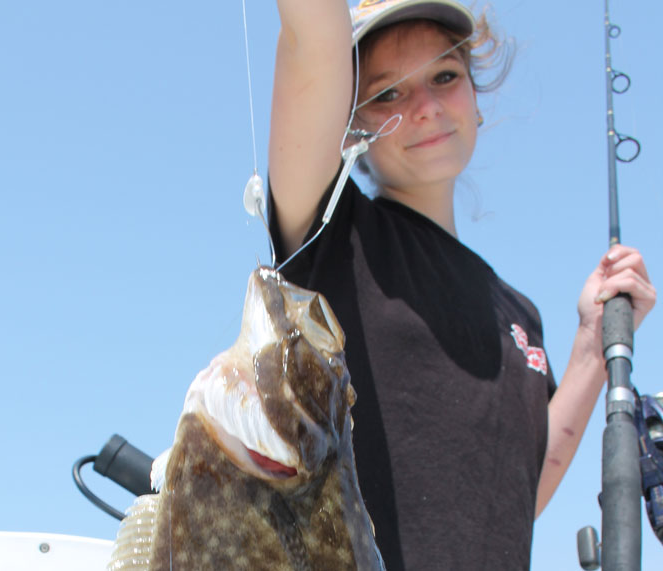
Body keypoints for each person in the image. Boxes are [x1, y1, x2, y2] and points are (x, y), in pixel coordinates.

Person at [266, 0, 657, 568]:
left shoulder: (520, 313)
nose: (424, 107)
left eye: (444, 77)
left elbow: (515, 495)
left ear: (476, 97)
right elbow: (310, 38)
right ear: (350, 124)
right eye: (387, 94)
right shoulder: (334, 234)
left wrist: (593, 345)